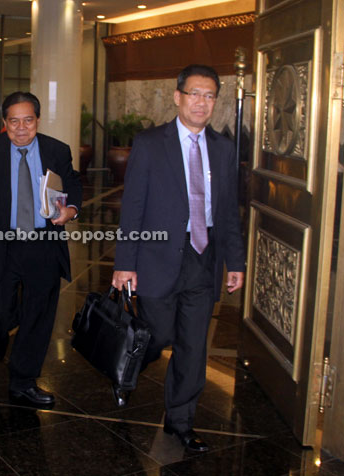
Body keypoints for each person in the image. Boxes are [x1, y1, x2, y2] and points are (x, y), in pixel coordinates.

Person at [111, 64, 245, 452]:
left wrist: (234, 262)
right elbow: (133, 206)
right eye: (194, 94)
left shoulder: (223, 148)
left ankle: (181, 420)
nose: (201, 103)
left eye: (209, 96)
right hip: (156, 257)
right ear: (178, 97)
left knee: (192, 345)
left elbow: (229, 212)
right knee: (158, 334)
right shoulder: (151, 143)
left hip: (203, 258)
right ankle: (128, 363)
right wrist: (124, 262)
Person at [0, 91, 82, 407]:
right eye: (13, 121)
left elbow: (73, 185)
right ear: (4, 123)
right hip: (4, 242)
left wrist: (72, 210)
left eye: (28, 120)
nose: (21, 128)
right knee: (0, 308)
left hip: (44, 244)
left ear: (37, 120)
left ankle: (23, 381)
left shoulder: (56, 150)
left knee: (38, 314)